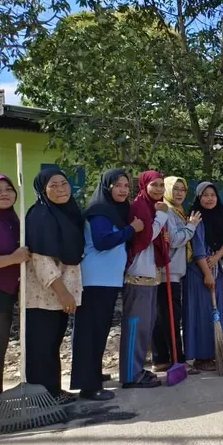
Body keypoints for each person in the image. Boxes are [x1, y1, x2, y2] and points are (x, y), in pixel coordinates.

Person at [72, 169, 143, 400]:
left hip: (107, 280)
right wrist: (132, 229)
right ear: (107, 187)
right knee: (91, 332)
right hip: (95, 280)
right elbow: (103, 242)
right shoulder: (99, 212)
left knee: (99, 330)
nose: (123, 189)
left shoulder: (115, 211)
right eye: (118, 185)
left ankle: (92, 374)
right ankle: (88, 386)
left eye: (126, 185)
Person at [24, 169, 84, 403]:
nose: (61, 190)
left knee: (52, 344)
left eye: (64, 184)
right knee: (41, 347)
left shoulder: (68, 212)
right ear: (43, 190)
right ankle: (41, 398)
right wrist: (63, 293)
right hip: (44, 294)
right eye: (53, 186)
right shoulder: (40, 215)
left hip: (61, 295)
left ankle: (53, 392)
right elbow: (41, 259)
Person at [121, 170, 170, 389]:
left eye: (161, 185)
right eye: (154, 185)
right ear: (144, 185)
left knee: (146, 326)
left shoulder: (152, 206)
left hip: (151, 276)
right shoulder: (139, 207)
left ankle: (138, 369)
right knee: (135, 326)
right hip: (138, 275)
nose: (159, 189)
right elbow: (145, 236)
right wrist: (162, 217)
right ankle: (131, 375)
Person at [152, 177, 200, 374]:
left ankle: (161, 359)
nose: (180, 193)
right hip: (167, 272)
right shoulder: (169, 211)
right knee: (171, 318)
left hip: (173, 271)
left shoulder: (177, 211)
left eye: (183, 189)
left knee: (164, 316)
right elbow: (174, 240)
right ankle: (176, 361)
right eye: (176, 189)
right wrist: (191, 226)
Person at [183, 182, 223, 371]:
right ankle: (200, 356)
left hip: (216, 269)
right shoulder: (196, 217)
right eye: (205, 195)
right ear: (198, 198)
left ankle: (214, 353)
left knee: (216, 312)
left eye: (212, 195)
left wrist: (218, 256)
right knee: (200, 314)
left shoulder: (220, 215)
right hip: (198, 273)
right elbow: (198, 248)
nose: (209, 198)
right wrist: (206, 273)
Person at [0, 173, 30, 396]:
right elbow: (15, 256)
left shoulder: (12, 219)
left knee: (1, 348)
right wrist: (13, 258)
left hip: (6, 293)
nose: (4, 194)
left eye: (8, 189)